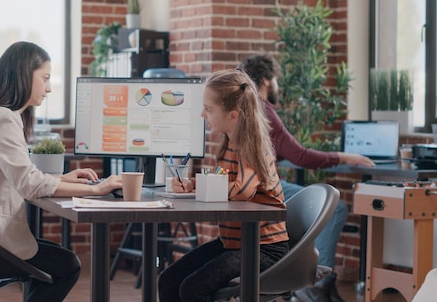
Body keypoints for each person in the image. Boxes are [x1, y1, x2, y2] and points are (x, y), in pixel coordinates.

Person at [0, 41, 122, 302]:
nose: (48, 88)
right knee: (67, 266)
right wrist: (96, 189)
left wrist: (61, 178)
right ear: (25, 75)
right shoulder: (2, 118)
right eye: (45, 78)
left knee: (57, 261)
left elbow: (16, 175)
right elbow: (29, 185)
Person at [237, 54, 375, 302]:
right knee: (335, 208)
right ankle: (313, 284)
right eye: (276, 80)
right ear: (267, 81)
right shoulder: (263, 109)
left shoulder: (243, 108)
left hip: (248, 188)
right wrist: (346, 157)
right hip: (265, 189)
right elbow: (300, 156)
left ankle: (311, 281)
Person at [157, 69, 289, 301]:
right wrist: (193, 184)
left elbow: (241, 191)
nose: (202, 114)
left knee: (193, 288)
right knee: (168, 279)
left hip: (263, 250)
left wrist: (204, 186)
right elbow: (222, 182)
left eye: (208, 109)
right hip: (233, 243)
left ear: (234, 115)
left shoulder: (252, 149)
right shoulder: (229, 145)